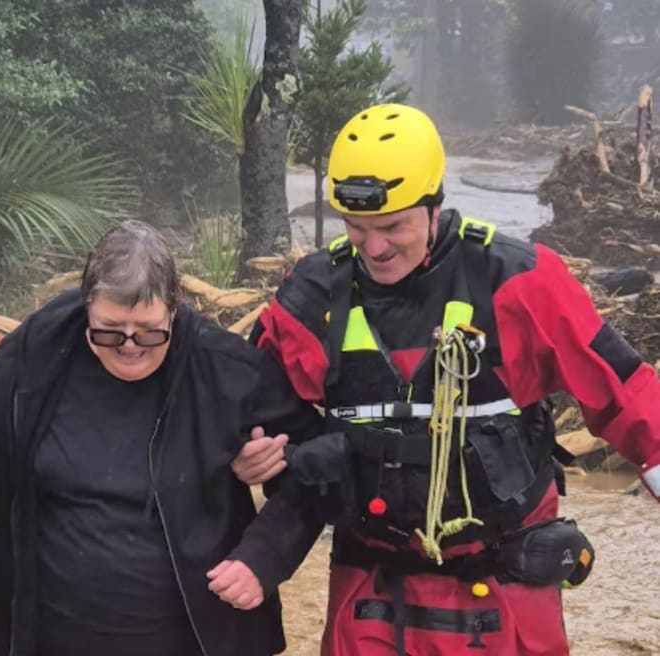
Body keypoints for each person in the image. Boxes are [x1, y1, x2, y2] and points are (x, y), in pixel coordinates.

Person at [213, 103, 660, 655]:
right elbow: (246, 409)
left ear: (435, 204)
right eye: (356, 228)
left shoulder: (519, 279)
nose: (373, 248)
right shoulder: (310, 296)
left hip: (502, 583)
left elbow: (623, 387)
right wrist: (248, 455)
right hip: (371, 586)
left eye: (392, 226)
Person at [0, 219, 322, 656]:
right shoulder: (37, 350)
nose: (130, 345)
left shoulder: (225, 368)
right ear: (86, 306)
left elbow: (317, 465)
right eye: (109, 330)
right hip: (50, 636)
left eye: (150, 330)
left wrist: (263, 557)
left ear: (175, 309)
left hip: (191, 638)